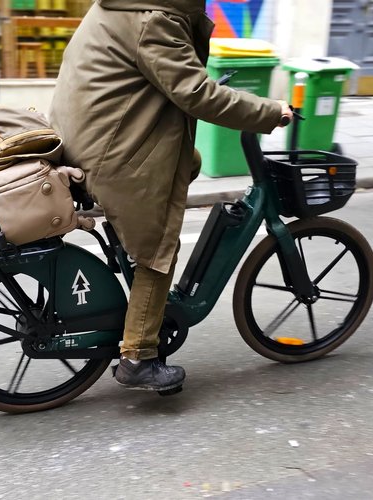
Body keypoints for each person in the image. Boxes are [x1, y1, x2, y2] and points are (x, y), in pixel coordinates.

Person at [49, 0, 292, 391]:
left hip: (88, 138)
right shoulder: (154, 20)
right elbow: (196, 93)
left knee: (188, 161)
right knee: (160, 246)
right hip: (111, 154)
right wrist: (267, 111)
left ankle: (137, 256)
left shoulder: (125, 6)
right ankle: (138, 357)